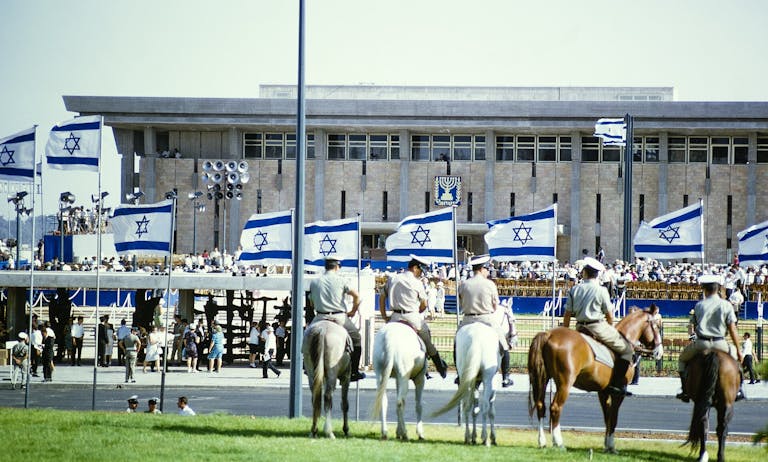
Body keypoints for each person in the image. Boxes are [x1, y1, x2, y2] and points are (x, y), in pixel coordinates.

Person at [563, 257, 634, 397]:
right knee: (627, 351)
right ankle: (617, 384)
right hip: (597, 326)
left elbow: (567, 315)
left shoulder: (574, 289)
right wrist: (611, 328)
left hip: (580, 328)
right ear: (597, 274)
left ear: (584, 273)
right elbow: (609, 315)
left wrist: (566, 331)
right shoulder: (601, 290)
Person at [676, 274, 745, 402]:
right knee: (735, 362)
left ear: (705, 290)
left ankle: (684, 389)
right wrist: (739, 350)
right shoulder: (726, 305)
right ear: (717, 289)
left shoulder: (699, 305)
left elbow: (694, 326)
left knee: (682, 360)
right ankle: (739, 388)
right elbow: (732, 329)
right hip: (720, 343)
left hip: (702, 343)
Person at [379, 255, 448, 378]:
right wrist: (418, 311)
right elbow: (424, 304)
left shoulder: (393, 278)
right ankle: (439, 366)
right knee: (427, 340)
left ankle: (383, 364)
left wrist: (384, 316)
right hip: (412, 317)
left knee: (383, 340)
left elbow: (382, 297)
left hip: (395, 317)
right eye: (421, 270)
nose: (421, 274)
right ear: (415, 268)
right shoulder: (417, 283)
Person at [457, 255, 512, 387]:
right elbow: (495, 306)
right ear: (482, 269)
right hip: (486, 319)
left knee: (457, 343)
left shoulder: (464, 284)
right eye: (487, 268)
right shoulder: (489, 284)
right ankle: (506, 376)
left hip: (468, 319)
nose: (488, 271)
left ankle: (459, 375)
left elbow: (460, 304)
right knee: (504, 345)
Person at [307, 257, 365, 381]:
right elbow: (357, 296)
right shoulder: (342, 280)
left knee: (306, 338)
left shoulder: (315, 281)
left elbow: (311, 302)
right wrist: (353, 311)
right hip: (338, 317)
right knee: (356, 339)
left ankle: (306, 365)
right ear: (337, 267)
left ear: (325, 267)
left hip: (320, 316)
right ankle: (354, 371)